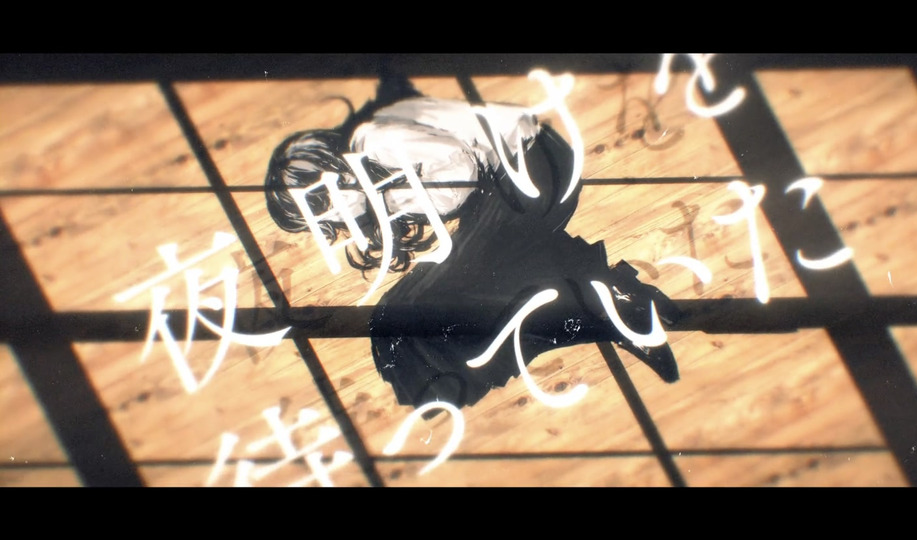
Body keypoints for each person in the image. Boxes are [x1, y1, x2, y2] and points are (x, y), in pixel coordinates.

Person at [265, 74, 683, 410]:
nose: (335, 220)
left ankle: (603, 303)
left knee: (407, 312)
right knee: (415, 314)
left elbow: (460, 171)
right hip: (518, 186)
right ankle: (603, 299)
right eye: (320, 223)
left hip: (531, 171)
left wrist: (393, 204)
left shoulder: (373, 141)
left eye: (322, 206)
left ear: (330, 169)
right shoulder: (371, 157)